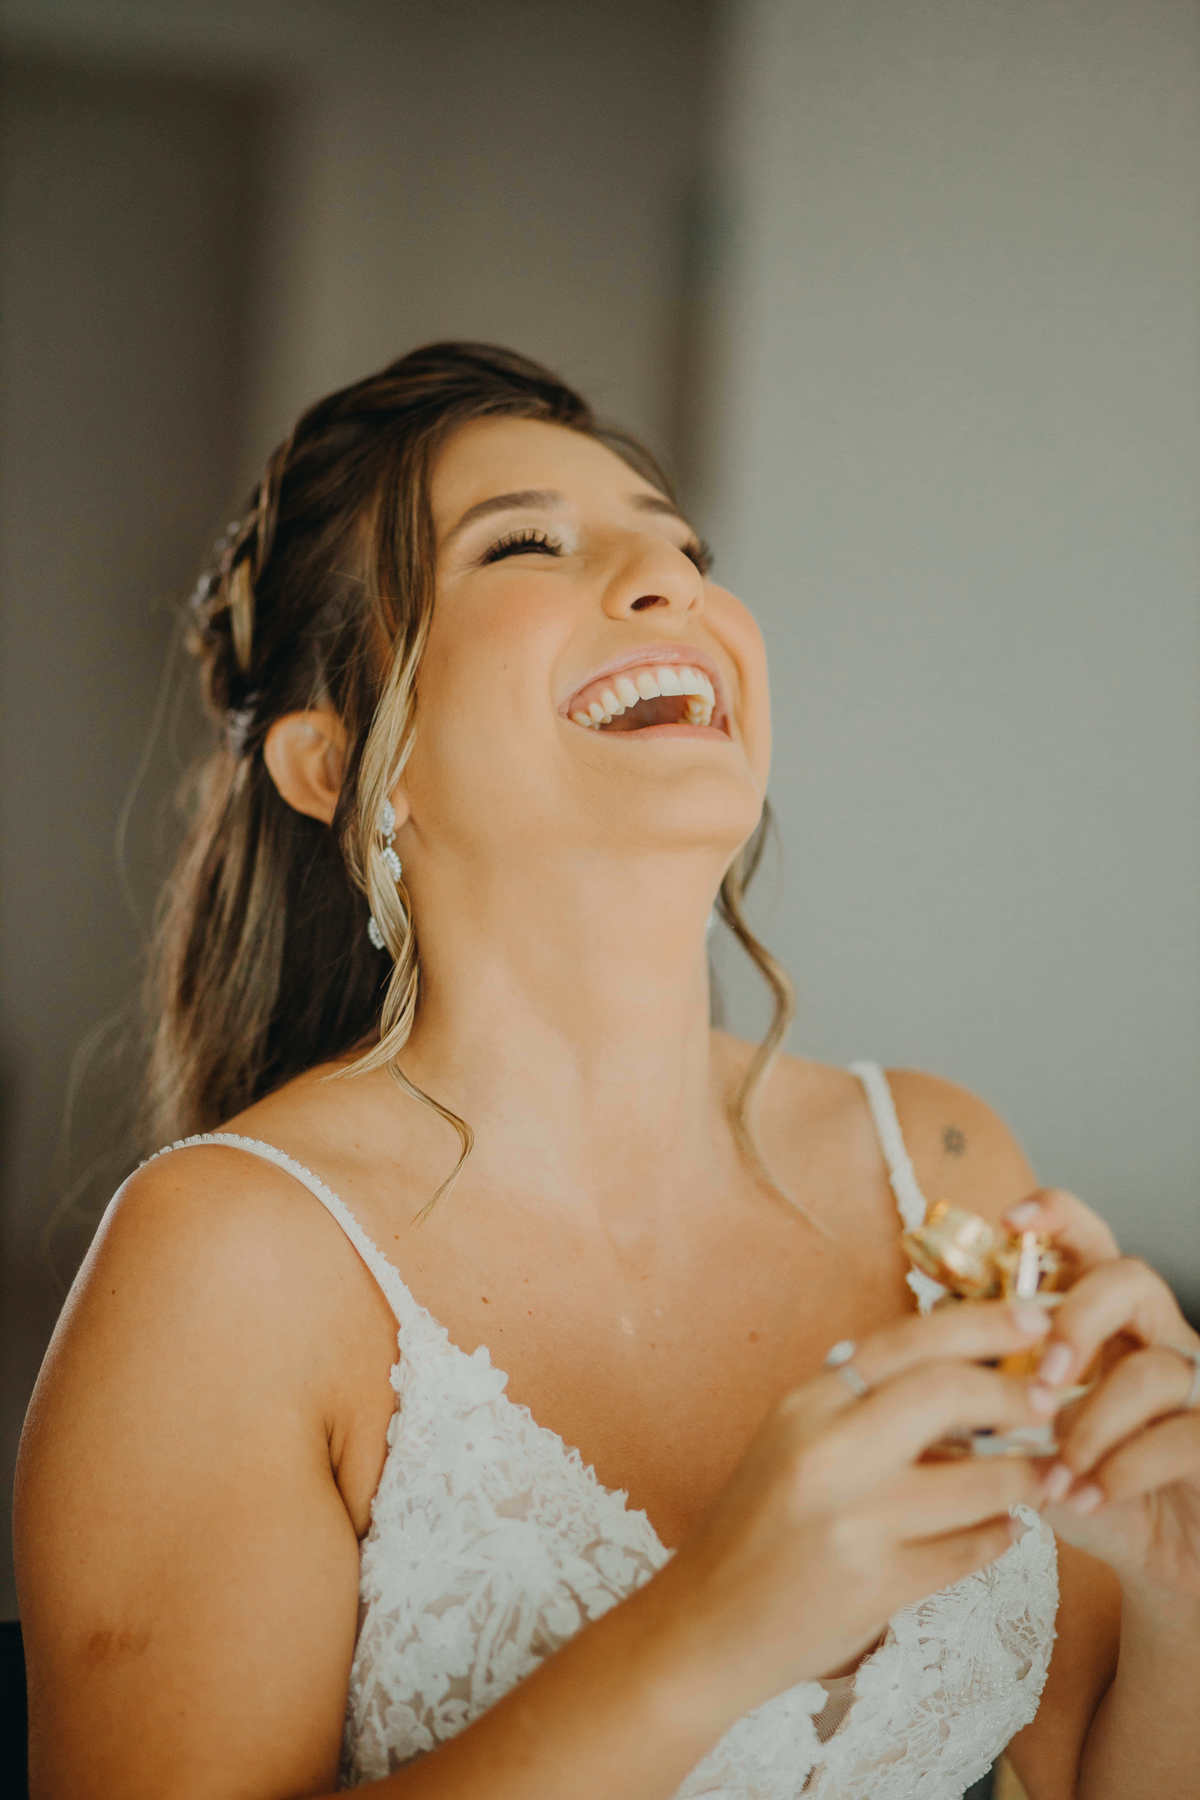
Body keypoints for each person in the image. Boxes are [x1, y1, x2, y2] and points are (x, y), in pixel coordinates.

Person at [13, 341, 1200, 1800]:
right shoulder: (227, 1264)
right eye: (527, 542)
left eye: (683, 546)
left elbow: (1096, 1773)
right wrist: (713, 1629)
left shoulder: (943, 1168)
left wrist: (1182, 1596)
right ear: (333, 765)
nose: (671, 583)